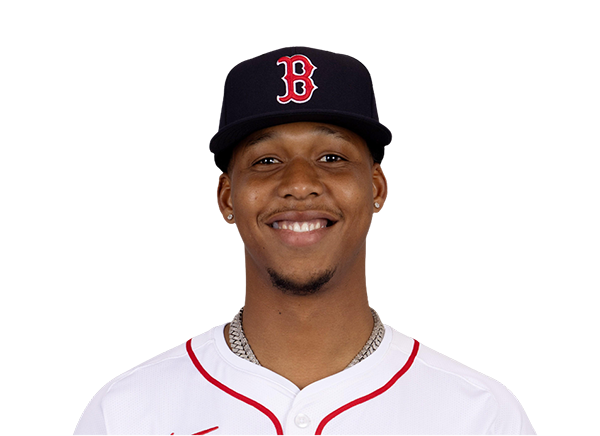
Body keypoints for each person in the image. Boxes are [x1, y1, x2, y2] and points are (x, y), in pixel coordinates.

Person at [75, 47, 536, 435]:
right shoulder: (127, 413)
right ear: (226, 197)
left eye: (332, 157)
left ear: (375, 189)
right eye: (267, 159)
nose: (299, 183)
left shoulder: (479, 415)